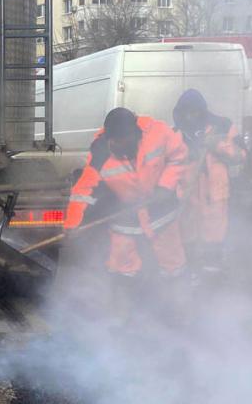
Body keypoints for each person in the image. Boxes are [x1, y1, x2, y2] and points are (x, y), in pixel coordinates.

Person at [64, 108, 189, 323]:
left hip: (162, 211)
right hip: (125, 217)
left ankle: (177, 312)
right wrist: (72, 223)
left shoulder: (158, 133)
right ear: (110, 140)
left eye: (127, 139)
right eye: (118, 141)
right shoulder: (100, 153)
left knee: (173, 265)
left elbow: (179, 157)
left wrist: (165, 186)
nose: (123, 145)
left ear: (137, 132)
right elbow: (83, 191)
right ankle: (125, 316)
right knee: (122, 266)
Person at [173, 89, 245, 275]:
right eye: (186, 113)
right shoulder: (175, 134)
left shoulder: (223, 126)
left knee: (214, 239)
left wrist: (219, 145)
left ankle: (213, 280)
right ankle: (192, 276)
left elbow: (242, 156)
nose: (190, 117)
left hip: (215, 196)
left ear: (202, 111)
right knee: (188, 238)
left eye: (194, 112)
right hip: (187, 196)